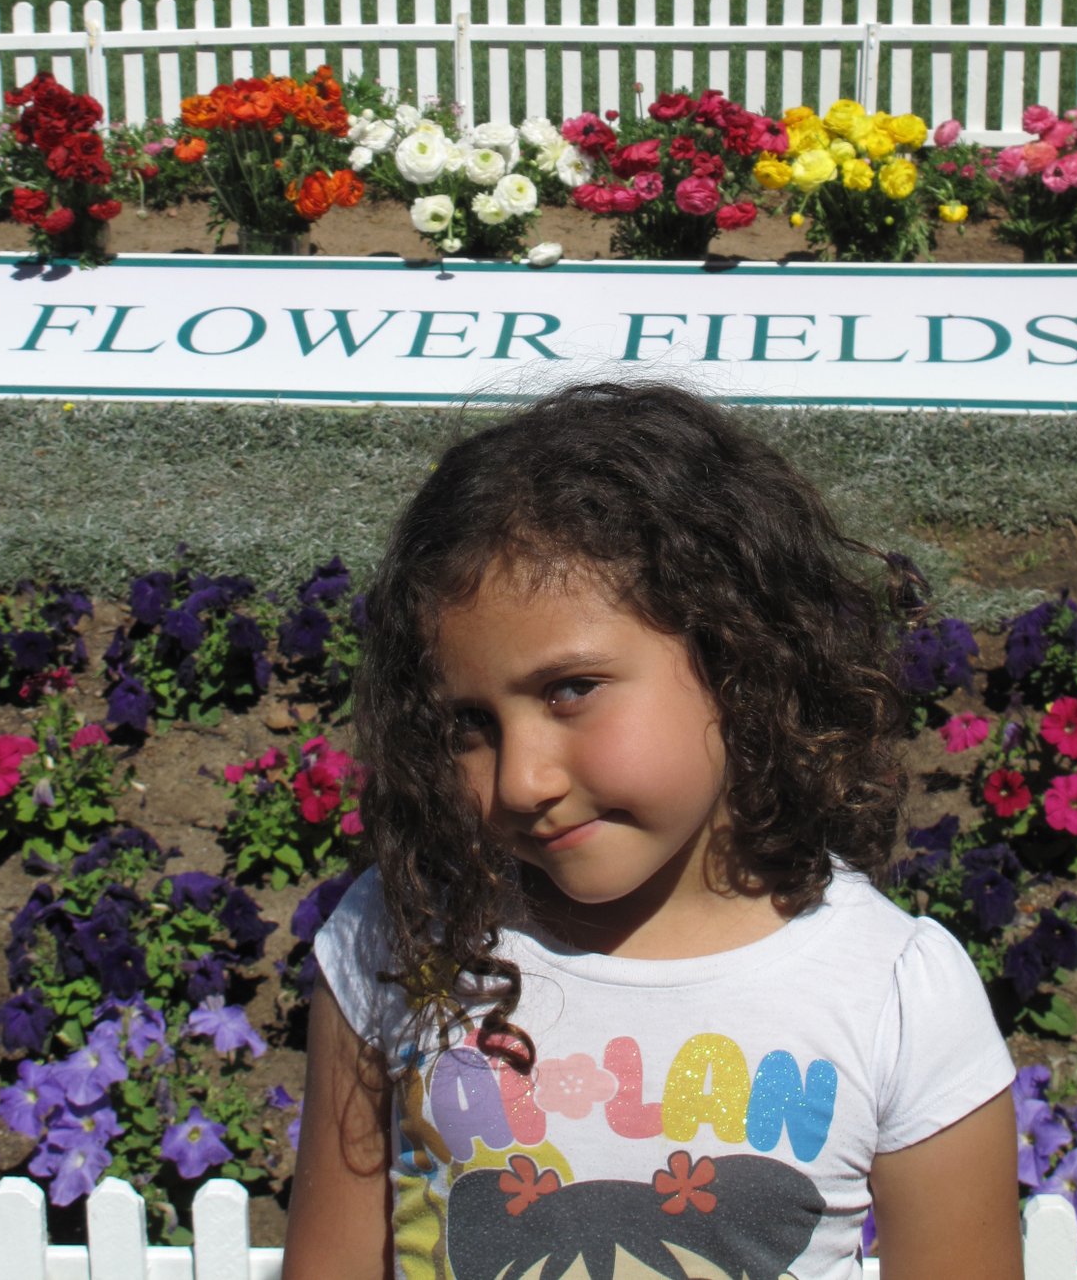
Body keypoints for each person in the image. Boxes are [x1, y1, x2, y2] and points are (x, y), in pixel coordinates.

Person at [283, 381, 1022, 1280]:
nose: (521, 779)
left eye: (571, 690)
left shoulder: (892, 991)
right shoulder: (399, 934)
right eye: (469, 724)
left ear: (736, 651)